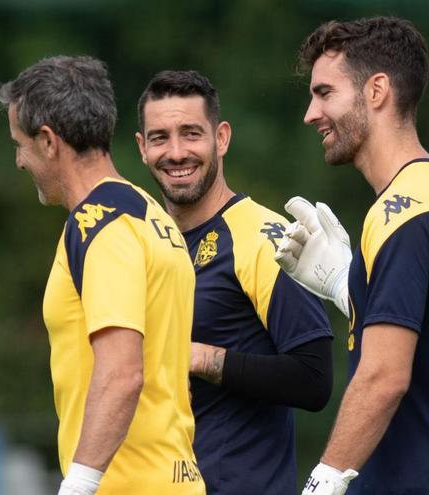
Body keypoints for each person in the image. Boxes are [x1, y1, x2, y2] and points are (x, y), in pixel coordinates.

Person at [274, 17, 429, 494]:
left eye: (325, 93)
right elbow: (424, 335)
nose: (311, 113)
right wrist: (340, 283)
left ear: (376, 91)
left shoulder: (404, 213)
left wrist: (323, 481)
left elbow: (384, 376)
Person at [0, 56, 204, 495]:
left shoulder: (98, 225)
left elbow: (123, 372)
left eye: (20, 144)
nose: (19, 161)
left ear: (49, 141)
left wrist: (79, 485)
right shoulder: (150, 213)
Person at [134, 70, 334, 494]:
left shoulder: (265, 236)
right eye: (160, 137)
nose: (176, 152)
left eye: (191, 134)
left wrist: (199, 358)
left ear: (221, 138)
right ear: (141, 148)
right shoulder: (145, 243)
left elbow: (314, 379)